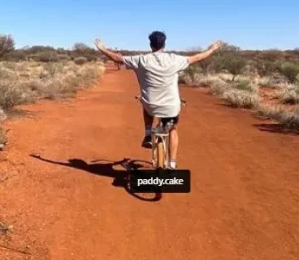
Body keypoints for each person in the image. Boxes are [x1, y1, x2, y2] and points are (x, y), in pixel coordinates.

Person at [94, 32, 223, 169]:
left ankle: (148, 133)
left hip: (151, 105)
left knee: (145, 102)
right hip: (171, 106)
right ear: (164, 44)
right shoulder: (175, 59)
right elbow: (197, 57)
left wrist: (101, 48)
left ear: (150, 45)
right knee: (173, 129)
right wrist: (212, 49)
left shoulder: (141, 60)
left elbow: (116, 58)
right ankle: (172, 163)